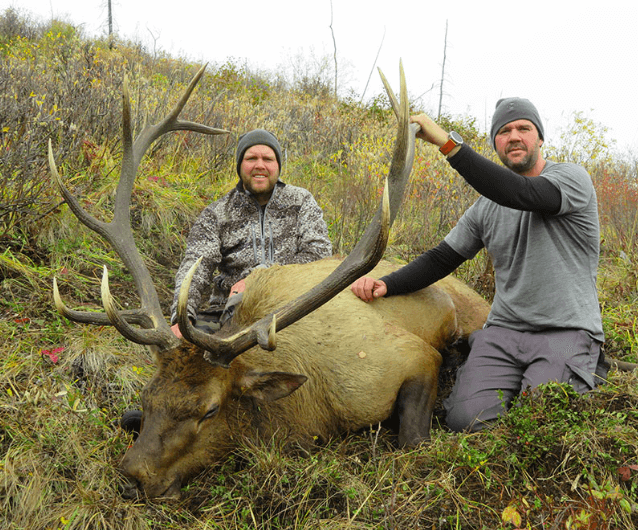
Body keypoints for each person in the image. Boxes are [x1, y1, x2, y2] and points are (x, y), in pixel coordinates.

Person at [351, 97, 608, 433]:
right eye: (503, 131)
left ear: (540, 138)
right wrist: (388, 284)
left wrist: (448, 143)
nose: (514, 136)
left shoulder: (571, 179)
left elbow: (523, 194)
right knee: (465, 421)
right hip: (504, 332)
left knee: (542, 418)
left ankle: (584, 362)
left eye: (523, 128)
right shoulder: (485, 208)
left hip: (565, 330)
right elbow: (444, 257)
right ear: (496, 145)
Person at [170, 128, 332, 337]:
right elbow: (195, 268)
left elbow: (319, 254)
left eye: (268, 158)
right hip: (229, 314)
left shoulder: (301, 202)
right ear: (239, 165)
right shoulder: (217, 213)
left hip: (292, 308)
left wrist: (257, 279)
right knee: (180, 352)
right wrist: (182, 318)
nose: (260, 165)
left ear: (278, 165)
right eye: (251, 158)